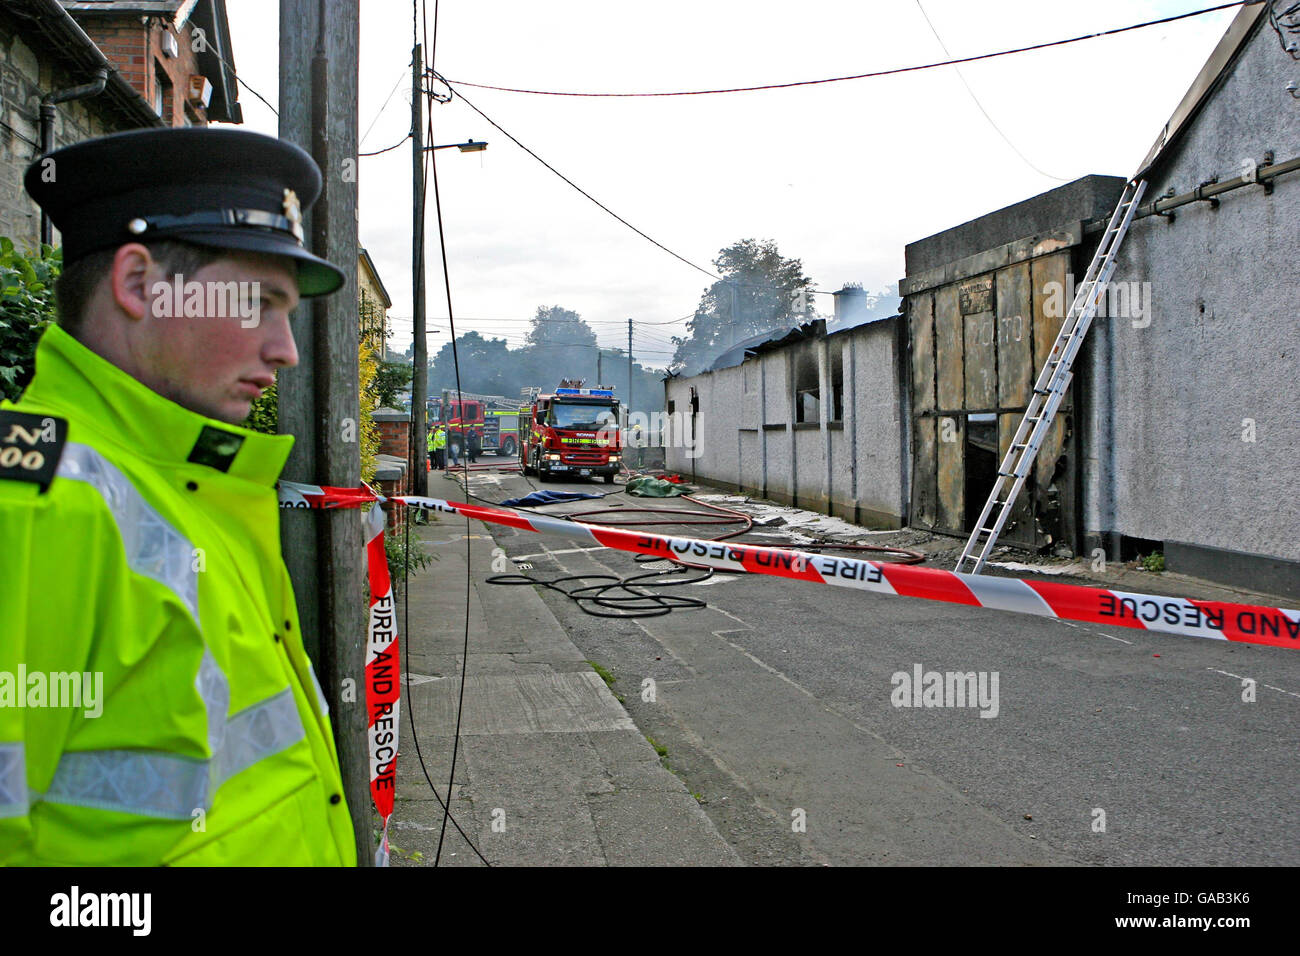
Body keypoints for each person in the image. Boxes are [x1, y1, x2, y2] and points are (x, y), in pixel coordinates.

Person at [0, 128, 356, 866]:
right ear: (137, 285)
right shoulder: (35, 507)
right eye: (258, 301)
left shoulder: (183, 485)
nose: (285, 348)